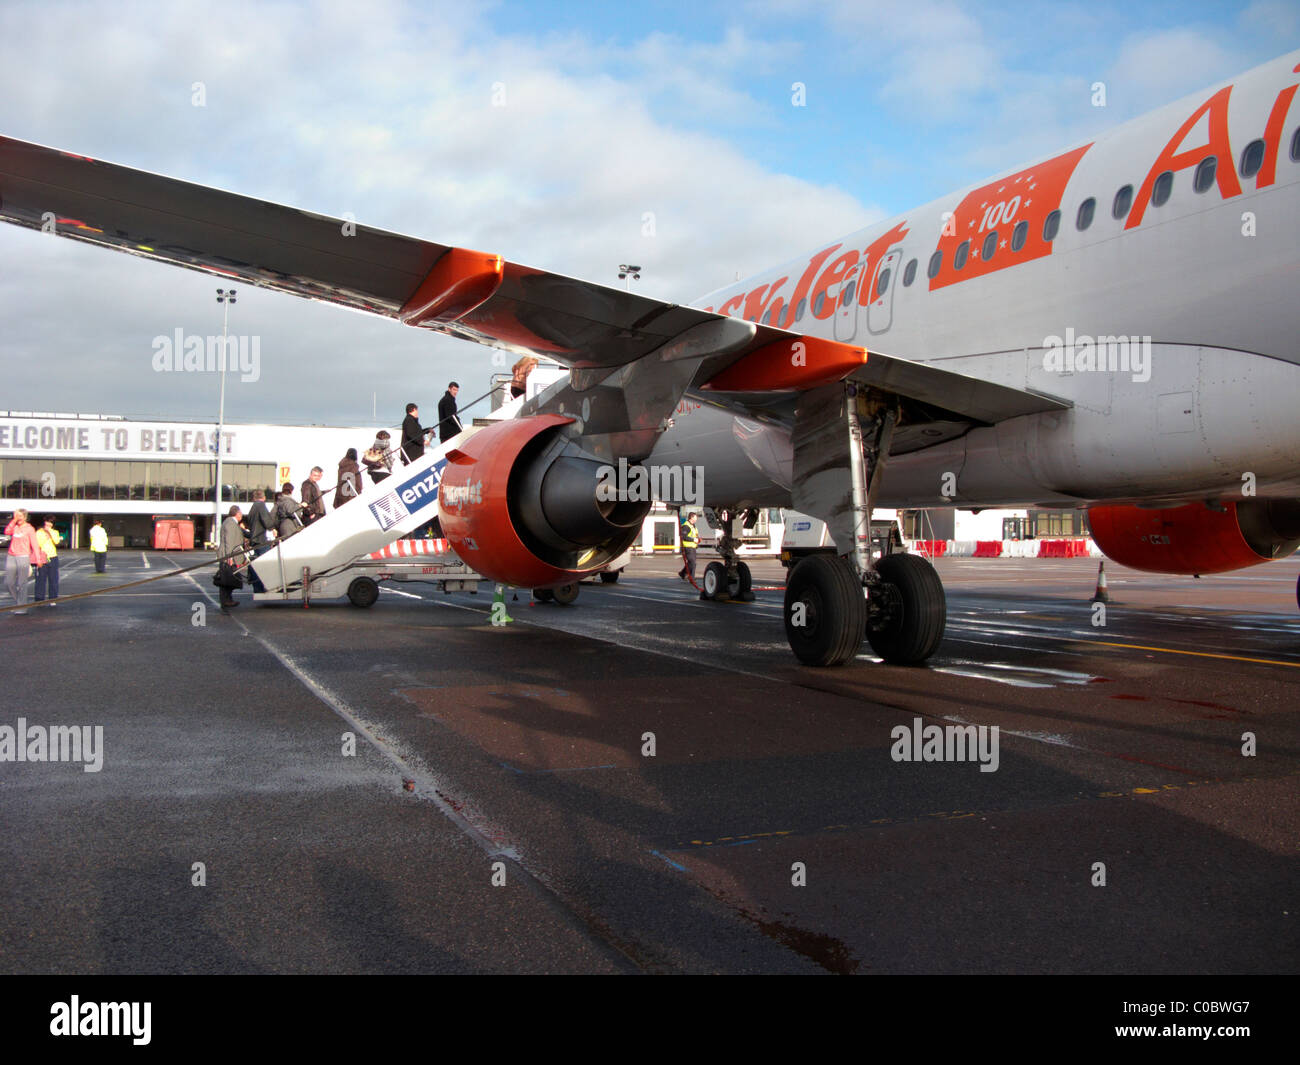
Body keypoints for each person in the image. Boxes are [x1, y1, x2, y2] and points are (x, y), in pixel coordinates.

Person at [5, 509, 46, 615]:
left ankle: (22, 607)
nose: (18, 518)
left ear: (24, 517)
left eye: (20, 516)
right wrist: (13, 521)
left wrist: (38, 559)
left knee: (21, 583)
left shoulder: (29, 529)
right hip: (11, 555)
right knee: (8, 582)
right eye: (16, 516)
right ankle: (19, 602)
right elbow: (7, 532)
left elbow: (35, 545)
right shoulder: (14, 526)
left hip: (23, 556)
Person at [243, 489, 277, 594]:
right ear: (264, 498)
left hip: (255, 540)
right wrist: (273, 527)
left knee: (256, 565)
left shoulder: (253, 507)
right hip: (261, 540)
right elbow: (267, 521)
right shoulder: (261, 505)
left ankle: (257, 587)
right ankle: (262, 588)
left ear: (253, 498)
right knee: (264, 565)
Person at [217, 505, 247, 609]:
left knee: (228, 579)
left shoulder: (232, 522)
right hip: (228, 556)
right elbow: (229, 541)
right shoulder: (230, 523)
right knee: (227, 579)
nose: (242, 515)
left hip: (229, 555)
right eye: (241, 513)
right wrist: (229, 556)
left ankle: (227, 600)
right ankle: (226, 601)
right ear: (237, 514)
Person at [34, 516, 62, 604]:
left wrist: (50, 533)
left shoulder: (55, 532)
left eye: (51, 522)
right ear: (44, 522)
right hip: (42, 557)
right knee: (40, 578)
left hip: (53, 557)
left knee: (53, 579)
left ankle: (53, 598)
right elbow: (38, 544)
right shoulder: (39, 532)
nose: (49, 524)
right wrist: (45, 537)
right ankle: (39, 598)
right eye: (47, 522)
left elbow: (57, 541)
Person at [678, 511, 699, 583]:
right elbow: (683, 536)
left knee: (691, 563)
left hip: (692, 547)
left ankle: (683, 573)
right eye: (696, 517)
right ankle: (692, 579)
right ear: (692, 517)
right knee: (693, 563)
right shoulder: (686, 526)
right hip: (688, 547)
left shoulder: (693, 525)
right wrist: (693, 539)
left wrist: (697, 540)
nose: (697, 518)